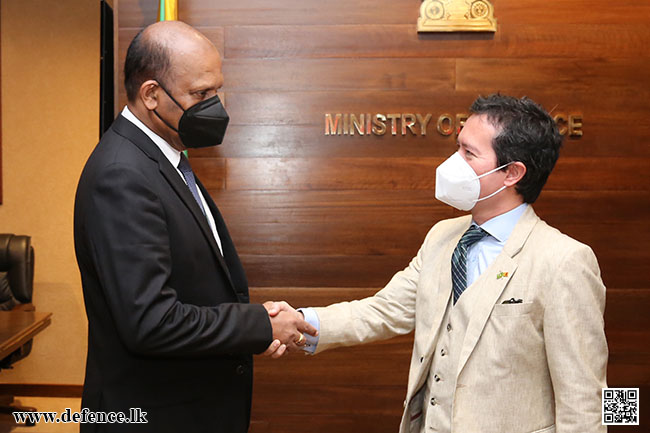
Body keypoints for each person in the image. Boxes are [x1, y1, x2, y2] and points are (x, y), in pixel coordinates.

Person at [271, 94, 608, 432]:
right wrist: (301, 322)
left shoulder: (566, 260)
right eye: (457, 147)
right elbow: (384, 310)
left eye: (469, 153)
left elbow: (585, 396)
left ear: (512, 173)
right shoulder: (442, 236)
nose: (453, 162)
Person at [74, 21, 315, 433]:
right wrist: (260, 324)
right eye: (200, 94)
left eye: (216, 91)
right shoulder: (123, 175)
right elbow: (151, 322)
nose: (214, 106)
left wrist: (253, 324)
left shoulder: (163, 159)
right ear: (151, 95)